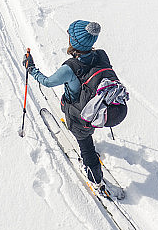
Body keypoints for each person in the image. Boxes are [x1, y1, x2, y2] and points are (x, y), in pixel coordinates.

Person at [24, 20, 127, 187]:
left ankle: (95, 176)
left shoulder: (71, 68)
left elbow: (48, 82)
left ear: (75, 42)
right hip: (103, 107)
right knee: (88, 131)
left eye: (70, 36)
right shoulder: (102, 55)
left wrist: (31, 68)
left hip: (79, 116)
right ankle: (92, 131)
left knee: (85, 144)